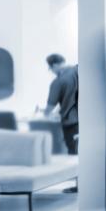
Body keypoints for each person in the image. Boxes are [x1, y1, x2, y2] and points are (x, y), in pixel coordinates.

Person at [43, 54, 79, 193]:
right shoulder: (79, 70)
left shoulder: (58, 81)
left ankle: (79, 186)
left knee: (74, 154)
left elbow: (50, 106)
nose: (51, 71)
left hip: (71, 122)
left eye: (50, 68)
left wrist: (46, 115)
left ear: (54, 65)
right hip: (89, 119)